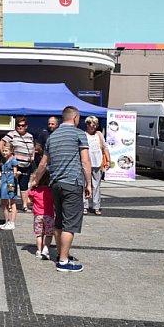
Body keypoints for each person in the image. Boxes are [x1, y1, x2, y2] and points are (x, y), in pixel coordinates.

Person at [30, 105, 91, 272]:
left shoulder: (53, 136)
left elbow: (43, 163)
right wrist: (89, 183)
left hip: (55, 184)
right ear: (75, 117)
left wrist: (35, 180)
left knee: (59, 222)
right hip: (72, 183)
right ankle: (63, 261)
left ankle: (60, 254)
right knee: (70, 224)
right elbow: (85, 161)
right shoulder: (79, 134)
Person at [0, 116, 36, 213]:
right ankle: (10, 204)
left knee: (24, 186)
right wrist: (6, 156)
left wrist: (32, 156)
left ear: (26, 126)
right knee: (11, 184)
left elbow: (32, 147)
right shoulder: (12, 134)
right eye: (18, 125)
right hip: (15, 164)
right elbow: (0, 144)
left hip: (26, 165)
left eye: (22, 125)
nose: (20, 127)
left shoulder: (30, 136)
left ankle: (24, 206)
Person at [83, 116, 109, 215]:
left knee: (96, 185)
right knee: (85, 185)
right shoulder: (83, 135)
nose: (94, 127)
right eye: (92, 125)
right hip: (86, 163)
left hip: (98, 163)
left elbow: (105, 147)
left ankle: (96, 206)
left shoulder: (99, 134)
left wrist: (108, 160)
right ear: (87, 125)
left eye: (96, 125)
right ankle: (84, 205)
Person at [29, 170, 55, 260]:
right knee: (49, 234)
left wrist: (31, 187)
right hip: (49, 215)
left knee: (39, 234)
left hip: (37, 215)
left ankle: (38, 251)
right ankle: (46, 249)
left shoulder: (34, 191)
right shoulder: (51, 191)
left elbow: (29, 201)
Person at [0, 143, 19, 230]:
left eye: (6, 151)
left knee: (12, 202)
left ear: (11, 151)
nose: (4, 152)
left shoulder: (13, 161)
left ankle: (12, 222)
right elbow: (4, 172)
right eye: (3, 151)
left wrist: (16, 174)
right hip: (3, 183)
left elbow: (15, 173)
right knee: (3, 202)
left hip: (11, 183)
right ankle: (7, 221)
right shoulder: (3, 161)